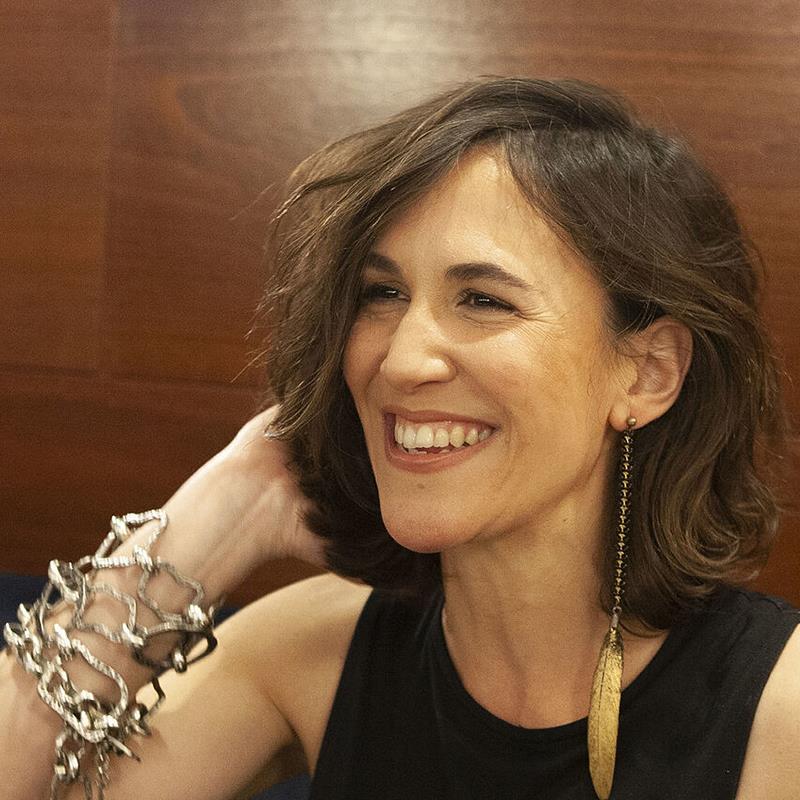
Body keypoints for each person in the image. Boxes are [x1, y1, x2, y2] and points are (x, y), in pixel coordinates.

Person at [2, 77, 799, 800]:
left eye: (483, 300)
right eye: (382, 293)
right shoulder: (312, 648)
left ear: (647, 373)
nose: (401, 359)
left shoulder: (779, 708)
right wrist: (229, 507)